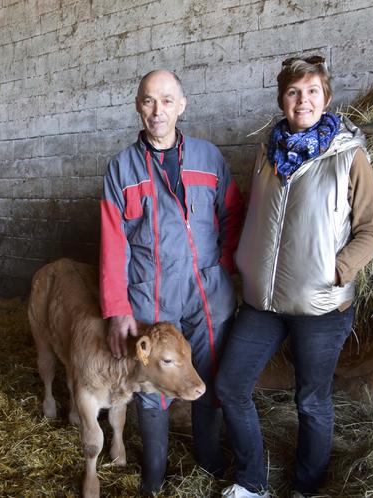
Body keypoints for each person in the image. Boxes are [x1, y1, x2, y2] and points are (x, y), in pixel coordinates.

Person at [215, 56, 373, 498]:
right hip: (263, 303)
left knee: (311, 401)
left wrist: (337, 269)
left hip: (320, 304)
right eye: (293, 92)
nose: (302, 99)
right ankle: (251, 482)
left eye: (312, 91)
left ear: (325, 98)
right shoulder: (266, 154)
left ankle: (307, 488)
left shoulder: (349, 154)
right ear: (282, 100)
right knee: (230, 385)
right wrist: (244, 258)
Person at [100, 69, 244, 494]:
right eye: (148, 100)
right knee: (152, 382)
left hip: (207, 293)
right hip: (150, 294)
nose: (157, 110)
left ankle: (209, 458)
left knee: (206, 371)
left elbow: (232, 213)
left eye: (166, 100)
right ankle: (154, 475)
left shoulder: (209, 158)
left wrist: (223, 264)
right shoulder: (122, 168)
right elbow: (113, 241)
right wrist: (117, 308)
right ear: (137, 107)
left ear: (182, 105)